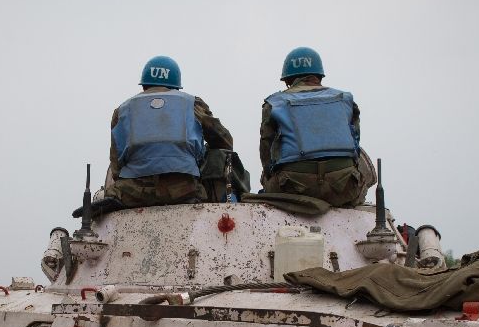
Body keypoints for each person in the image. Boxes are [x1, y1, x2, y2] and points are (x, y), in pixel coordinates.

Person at [106, 56, 233, 207]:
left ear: (144, 85)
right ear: (176, 86)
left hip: (134, 194)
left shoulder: (122, 110)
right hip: (185, 192)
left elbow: (116, 165)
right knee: (218, 156)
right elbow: (224, 141)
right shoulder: (192, 104)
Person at [259, 47, 372, 208]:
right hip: (344, 187)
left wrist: (270, 175)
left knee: (266, 178)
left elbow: (266, 150)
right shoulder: (345, 99)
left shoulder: (275, 102)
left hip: (294, 189)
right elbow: (355, 145)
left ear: (288, 80)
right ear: (319, 76)